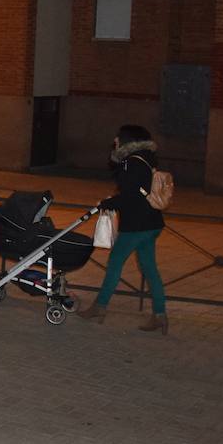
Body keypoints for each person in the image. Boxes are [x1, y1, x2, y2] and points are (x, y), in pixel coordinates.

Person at [78, 125, 169, 334]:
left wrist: (109, 203)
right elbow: (139, 191)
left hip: (136, 225)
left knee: (115, 263)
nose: (115, 141)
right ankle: (160, 314)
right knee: (149, 268)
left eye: (118, 138)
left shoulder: (131, 162)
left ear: (127, 141)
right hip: (152, 223)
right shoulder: (146, 159)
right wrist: (116, 200)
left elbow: (132, 196)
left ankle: (99, 308)